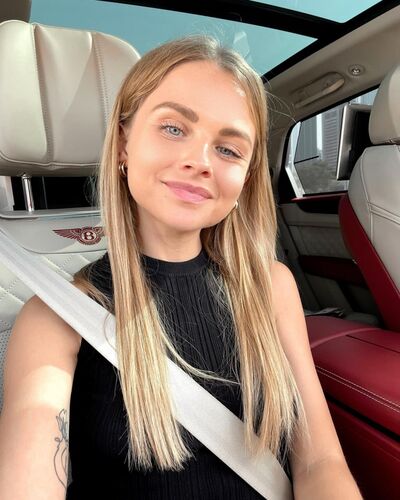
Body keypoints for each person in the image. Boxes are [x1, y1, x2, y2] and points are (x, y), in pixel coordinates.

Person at [0, 36, 362, 499]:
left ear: (246, 177)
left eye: (229, 149)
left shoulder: (272, 286)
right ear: (124, 143)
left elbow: (319, 462)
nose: (200, 161)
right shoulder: (55, 319)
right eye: (173, 128)